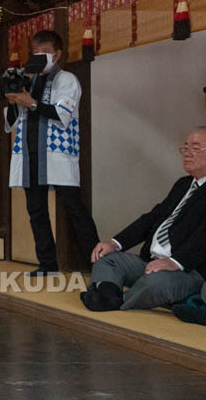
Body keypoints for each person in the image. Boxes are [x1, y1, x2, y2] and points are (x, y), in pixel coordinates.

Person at [5, 30, 99, 276]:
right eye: (36, 53)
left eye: (45, 53)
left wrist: (31, 102)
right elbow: (12, 121)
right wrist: (14, 100)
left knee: (74, 208)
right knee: (36, 210)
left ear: (57, 54)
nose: (40, 57)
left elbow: (62, 115)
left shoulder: (67, 80)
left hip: (57, 153)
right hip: (29, 153)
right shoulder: (30, 80)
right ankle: (47, 264)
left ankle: (99, 265)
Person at [82, 127, 206, 312]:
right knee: (107, 259)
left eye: (195, 148)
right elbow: (152, 218)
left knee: (158, 283)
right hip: (151, 261)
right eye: (185, 148)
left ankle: (113, 299)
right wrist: (115, 243)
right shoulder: (183, 184)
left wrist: (175, 262)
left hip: (187, 269)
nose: (187, 154)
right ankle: (108, 295)